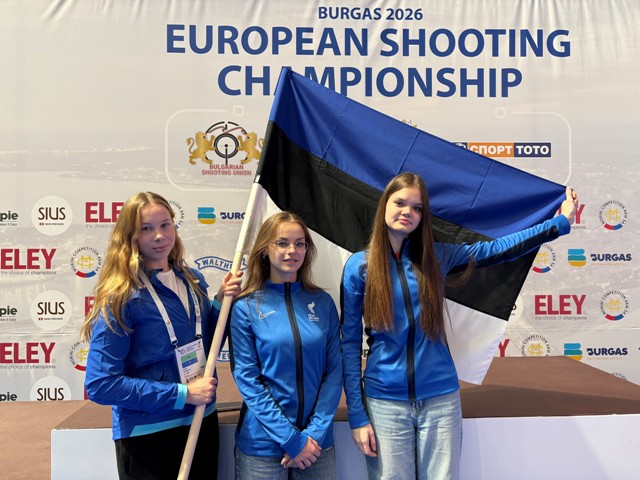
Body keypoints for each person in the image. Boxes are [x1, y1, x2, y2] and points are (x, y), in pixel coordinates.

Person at [340, 172, 579, 480]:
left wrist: (559, 223)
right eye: (400, 203)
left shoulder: (437, 257)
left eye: (417, 208)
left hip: (440, 399)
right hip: (385, 401)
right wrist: (357, 416)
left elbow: (497, 249)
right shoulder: (359, 267)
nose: (407, 212)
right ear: (384, 204)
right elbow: (348, 344)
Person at [80, 191, 242, 480]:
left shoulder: (192, 280)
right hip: (148, 434)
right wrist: (182, 394)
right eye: (147, 228)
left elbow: (204, 346)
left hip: (200, 420)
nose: (159, 236)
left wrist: (221, 303)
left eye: (165, 224)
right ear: (130, 236)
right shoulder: (121, 296)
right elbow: (100, 384)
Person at [229, 211, 343, 480]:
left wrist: (313, 435)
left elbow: (334, 371)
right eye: (282, 243)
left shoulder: (322, 303)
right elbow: (247, 379)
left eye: (299, 244)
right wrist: (292, 440)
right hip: (262, 447)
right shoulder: (246, 307)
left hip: (316, 445)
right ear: (265, 249)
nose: (292, 251)